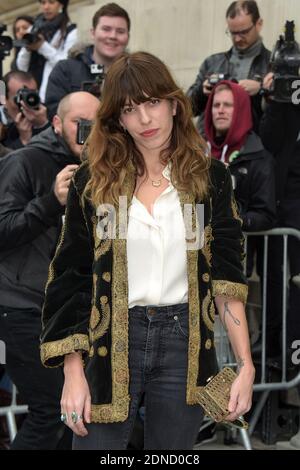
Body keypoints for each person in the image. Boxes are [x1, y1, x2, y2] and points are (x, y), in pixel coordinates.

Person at [40, 51, 255, 451]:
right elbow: (70, 277)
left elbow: (227, 279)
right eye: (129, 109)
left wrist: (245, 365)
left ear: (174, 103)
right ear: (116, 119)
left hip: (184, 343)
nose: (144, 119)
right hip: (108, 343)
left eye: (152, 102)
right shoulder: (95, 181)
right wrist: (72, 370)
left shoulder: (209, 180)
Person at [0, 91, 100, 450]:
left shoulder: (98, 170)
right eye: (79, 123)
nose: (87, 133)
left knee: (69, 414)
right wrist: (50, 201)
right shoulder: (26, 161)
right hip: (21, 304)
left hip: (66, 309)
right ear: (57, 123)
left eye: (96, 124)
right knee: (53, 411)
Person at [259, 72, 300, 359]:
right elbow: (270, 140)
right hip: (286, 205)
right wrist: (274, 97)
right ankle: (280, 352)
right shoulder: (289, 96)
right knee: (278, 280)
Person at [187, 0, 270, 135]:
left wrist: (262, 89)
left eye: (243, 32)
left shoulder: (272, 65)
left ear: (259, 24)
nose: (237, 39)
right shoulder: (212, 63)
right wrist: (202, 91)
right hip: (211, 146)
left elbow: (284, 116)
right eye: (232, 33)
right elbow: (188, 108)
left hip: (255, 147)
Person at [204, 80, 276, 232]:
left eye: (228, 105)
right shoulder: (195, 152)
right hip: (195, 251)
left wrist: (232, 220)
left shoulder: (258, 157)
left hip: (237, 251)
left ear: (241, 110)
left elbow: (265, 216)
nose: (220, 110)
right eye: (216, 105)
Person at [45, 2, 130, 119]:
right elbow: (55, 115)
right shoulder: (65, 71)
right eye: (106, 29)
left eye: (120, 31)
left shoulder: (136, 74)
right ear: (93, 33)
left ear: (127, 37)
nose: (113, 36)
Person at [17, 0, 78, 102]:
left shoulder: (70, 31)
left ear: (61, 4)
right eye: (43, 2)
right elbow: (21, 67)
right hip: (32, 92)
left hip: (55, 94)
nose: (46, 7)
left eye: (51, 2)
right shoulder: (33, 28)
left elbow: (66, 64)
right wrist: (27, 49)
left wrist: (42, 46)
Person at [2, 70, 49, 149]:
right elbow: (4, 159)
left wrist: (43, 126)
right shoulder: (2, 123)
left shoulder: (46, 113)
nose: (27, 102)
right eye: (20, 97)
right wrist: (23, 140)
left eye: (32, 95)